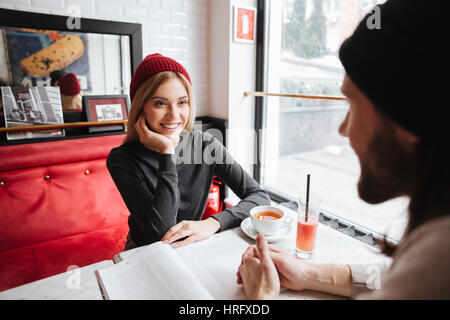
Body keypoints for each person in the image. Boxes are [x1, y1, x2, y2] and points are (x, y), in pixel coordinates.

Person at [237, 0, 450, 299]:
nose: (343, 129)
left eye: (352, 106)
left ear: (407, 116)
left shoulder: (438, 260)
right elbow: (394, 275)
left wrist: (262, 296)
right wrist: (308, 273)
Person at [107, 53, 271, 250]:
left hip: (190, 248)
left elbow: (260, 196)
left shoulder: (205, 144)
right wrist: (166, 153)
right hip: (144, 251)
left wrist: (213, 223)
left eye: (182, 102)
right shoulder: (122, 159)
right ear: (141, 107)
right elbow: (161, 232)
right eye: (160, 103)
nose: (174, 115)